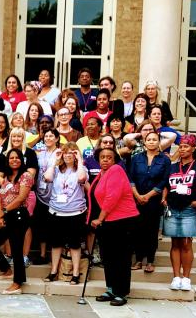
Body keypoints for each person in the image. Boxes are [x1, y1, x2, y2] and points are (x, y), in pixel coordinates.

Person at [163, 134, 196, 292]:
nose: (182, 149)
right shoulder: (172, 167)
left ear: (193, 148)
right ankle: (176, 276)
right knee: (175, 243)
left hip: (190, 208)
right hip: (172, 207)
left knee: (186, 243)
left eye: (186, 146)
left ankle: (186, 278)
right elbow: (165, 185)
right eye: (181, 146)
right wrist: (164, 198)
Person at [89, 147, 139, 306]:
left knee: (121, 257)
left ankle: (121, 292)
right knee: (108, 256)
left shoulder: (116, 170)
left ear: (114, 159)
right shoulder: (100, 175)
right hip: (108, 221)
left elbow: (112, 197)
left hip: (122, 220)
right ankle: (111, 288)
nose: (105, 160)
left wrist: (100, 218)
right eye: (102, 157)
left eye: (109, 157)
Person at [0, 148, 33, 295]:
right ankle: (6, 270)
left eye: (17, 157)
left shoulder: (26, 176)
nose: (14, 160)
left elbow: (21, 198)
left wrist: (4, 212)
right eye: (11, 158)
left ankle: (17, 282)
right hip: (6, 214)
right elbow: (0, 195)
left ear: (21, 160)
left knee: (16, 249)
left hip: (19, 215)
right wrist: (0, 215)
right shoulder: (7, 177)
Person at [43, 142, 88, 284]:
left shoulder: (81, 169)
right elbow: (47, 178)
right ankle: (54, 271)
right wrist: (54, 162)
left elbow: (82, 179)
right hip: (56, 211)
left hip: (75, 212)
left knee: (75, 244)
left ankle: (75, 273)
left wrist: (79, 160)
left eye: (71, 152)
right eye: (65, 152)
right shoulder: (56, 169)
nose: (68, 155)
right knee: (56, 244)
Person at [128, 131, 171, 273]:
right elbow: (131, 178)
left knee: (152, 231)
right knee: (137, 230)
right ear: (144, 142)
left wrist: (148, 195)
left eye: (155, 139)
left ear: (159, 142)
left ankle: (150, 260)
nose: (152, 141)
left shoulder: (164, 160)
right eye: (149, 139)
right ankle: (139, 259)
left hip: (153, 201)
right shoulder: (136, 158)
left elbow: (164, 180)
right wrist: (138, 196)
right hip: (137, 199)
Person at [32, 128, 60, 264]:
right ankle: (43, 254)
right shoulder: (39, 154)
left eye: (51, 136)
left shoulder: (59, 153)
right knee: (41, 225)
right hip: (40, 192)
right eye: (46, 136)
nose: (48, 138)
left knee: (55, 226)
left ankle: (57, 255)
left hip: (56, 193)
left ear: (57, 138)